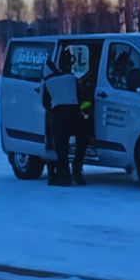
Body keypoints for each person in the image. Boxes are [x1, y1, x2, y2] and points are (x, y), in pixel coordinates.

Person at [43, 49, 89, 186]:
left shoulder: (48, 82)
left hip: (58, 116)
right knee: (82, 140)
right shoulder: (72, 79)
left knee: (61, 149)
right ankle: (77, 170)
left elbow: (45, 103)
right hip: (74, 114)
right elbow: (82, 97)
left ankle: (64, 176)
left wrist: (54, 111)